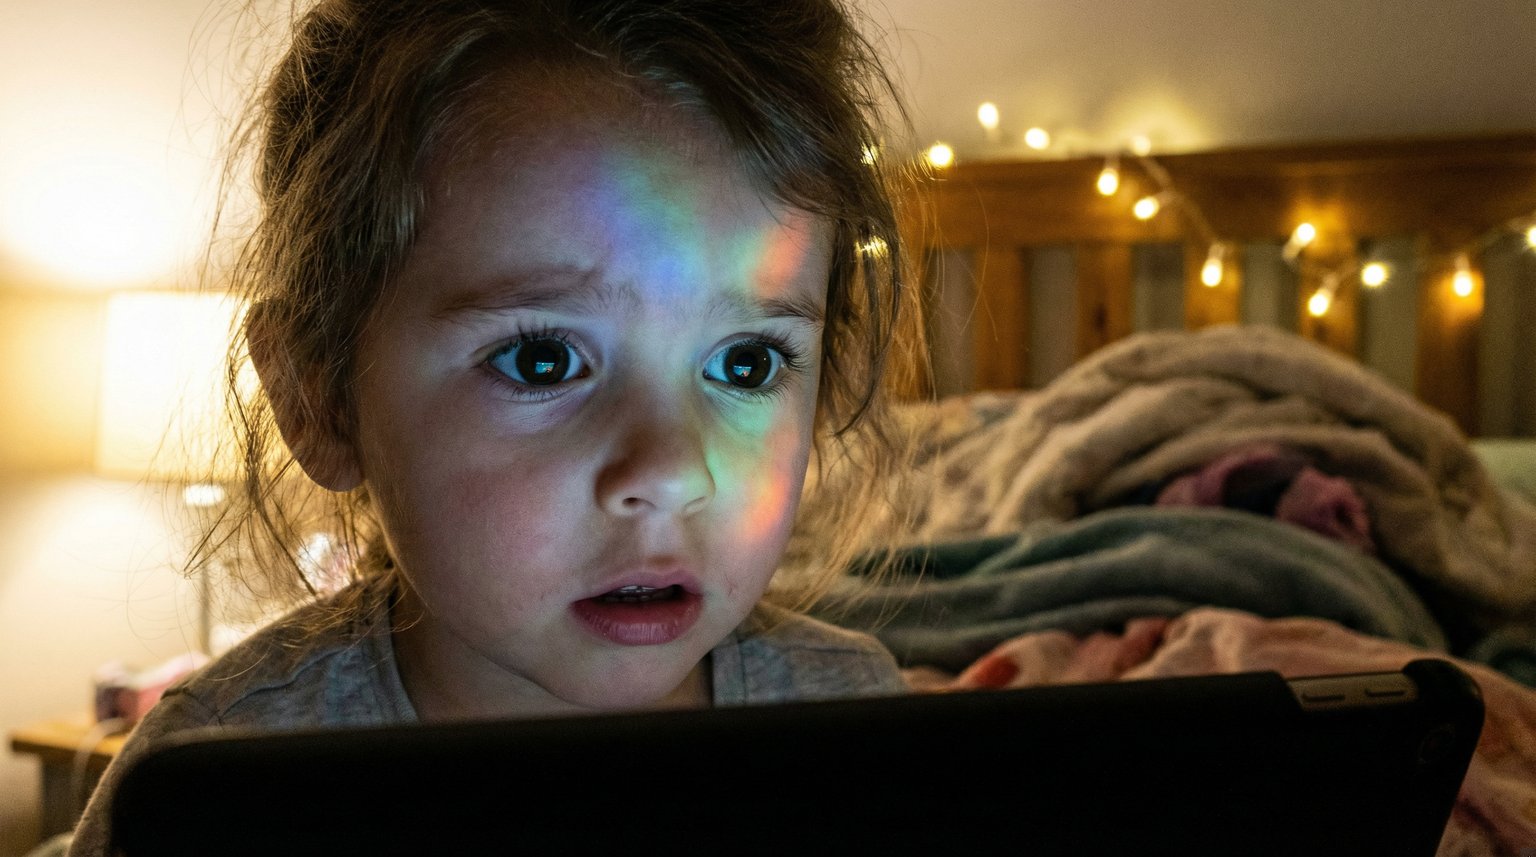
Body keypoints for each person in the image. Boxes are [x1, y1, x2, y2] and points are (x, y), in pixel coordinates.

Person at [67, 0, 923, 852]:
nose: (671, 471)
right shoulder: (223, 775)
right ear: (318, 395)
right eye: (542, 359)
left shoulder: (850, 720)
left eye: (748, 363)